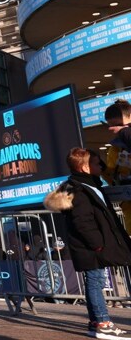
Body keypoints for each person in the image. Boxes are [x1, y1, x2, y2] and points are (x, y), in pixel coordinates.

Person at [44, 147, 131, 338]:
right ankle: (102, 322)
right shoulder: (79, 188)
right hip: (91, 247)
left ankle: (96, 322)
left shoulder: (88, 185)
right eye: (96, 162)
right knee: (95, 281)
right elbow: (82, 221)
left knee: (95, 281)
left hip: (94, 245)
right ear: (84, 167)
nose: (101, 165)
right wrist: (97, 244)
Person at [102, 99, 131, 233]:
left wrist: (124, 132)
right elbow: (112, 177)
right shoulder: (115, 148)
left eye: (119, 125)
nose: (113, 130)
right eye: (110, 126)